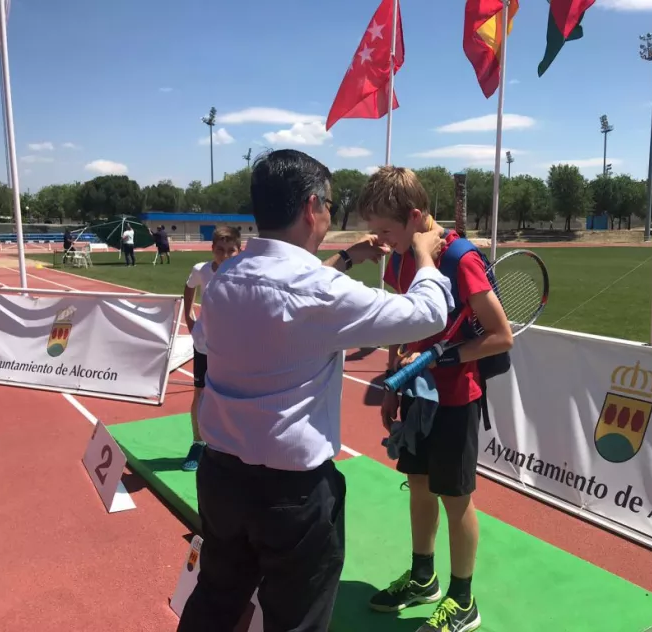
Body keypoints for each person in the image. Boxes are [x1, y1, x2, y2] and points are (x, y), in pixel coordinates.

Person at [177, 149, 454, 632]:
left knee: (215, 602)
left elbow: (280, 302)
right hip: (292, 497)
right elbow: (428, 313)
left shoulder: (224, 280)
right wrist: (426, 256)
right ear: (311, 207)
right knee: (296, 622)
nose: (329, 213)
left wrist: (346, 258)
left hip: (221, 480)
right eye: (329, 203)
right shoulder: (320, 290)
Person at [358, 166, 514, 632]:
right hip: (417, 395)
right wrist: (394, 379)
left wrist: (444, 358)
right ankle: (423, 578)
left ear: (414, 216)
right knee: (419, 486)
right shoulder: (399, 258)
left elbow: (501, 336)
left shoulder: (460, 258)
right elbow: (402, 322)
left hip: (457, 399)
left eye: (386, 231)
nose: (381, 241)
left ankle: (463, 600)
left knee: (455, 498)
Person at [181, 226, 242, 472]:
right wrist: (188, 317)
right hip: (205, 344)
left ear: (239, 251)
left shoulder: (245, 272)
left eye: (231, 250)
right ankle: (198, 443)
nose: (225, 255)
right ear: (212, 249)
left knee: (235, 395)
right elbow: (189, 287)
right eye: (220, 250)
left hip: (234, 347)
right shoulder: (202, 270)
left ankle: (231, 444)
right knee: (200, 394)